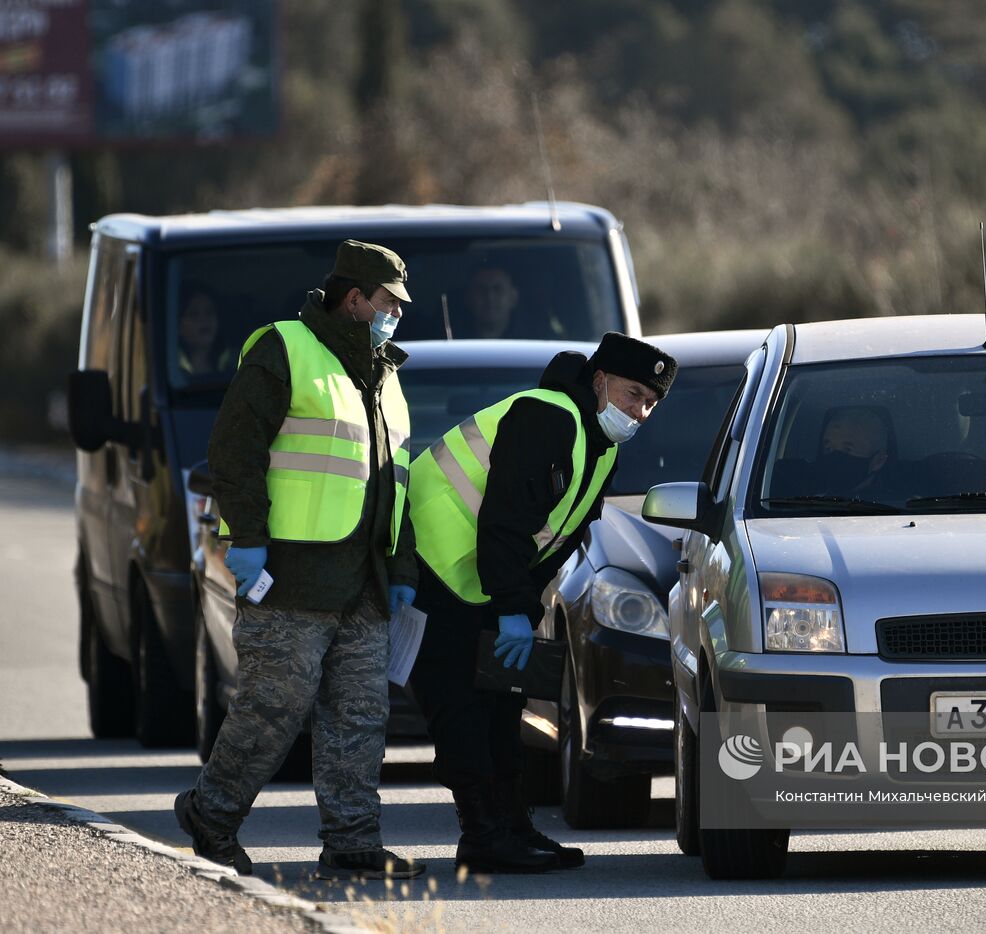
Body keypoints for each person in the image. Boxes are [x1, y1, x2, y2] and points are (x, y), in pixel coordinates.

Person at [174, 240, 423, 882]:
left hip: (363, 581)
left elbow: (395, 481)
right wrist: (247, 537)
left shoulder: (385, 372)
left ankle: (353, 841)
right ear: (354, 299)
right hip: (288, 577)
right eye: (389, 303)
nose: (397, 315)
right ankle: (212, 814)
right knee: (272, 707)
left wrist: (400, 568)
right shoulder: (283, 349)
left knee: (360, 715)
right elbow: (235, 452)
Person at [406, 331, 677, 874]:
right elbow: (505, 521)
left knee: (503, 707)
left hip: (481, 583)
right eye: (631, 395)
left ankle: (512, 826)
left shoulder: (600, 447)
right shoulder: (548, 417)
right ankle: (482, 835)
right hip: (431, 574)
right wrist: (512, 605)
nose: (640, 413)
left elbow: (562, 537)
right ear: (599, 381)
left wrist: (524, 607)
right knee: (461, 710)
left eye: (650, 403)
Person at [177, 287, 234, 377]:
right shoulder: (169, 369)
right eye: (193, 314)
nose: (204, 319)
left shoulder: (236, 364)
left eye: (209, 312)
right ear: (178, 325)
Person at [467, 265, 519, 339]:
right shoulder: (452, 342)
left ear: (513, 298)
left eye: (498, 289)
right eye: (482, 289)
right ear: (469, 298)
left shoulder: (531, 343)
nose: (490, 297)